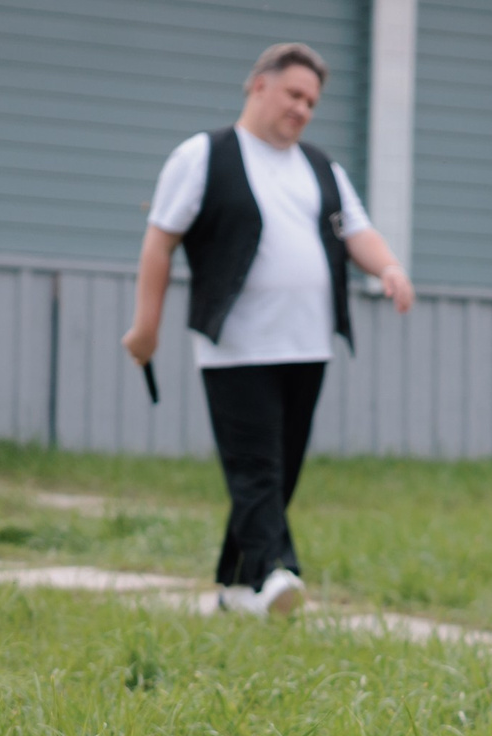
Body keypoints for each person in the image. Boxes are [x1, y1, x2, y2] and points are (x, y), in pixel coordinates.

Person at [122, 43, 414, 618]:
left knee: (283, 470)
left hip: (308, 345)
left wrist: (389, 267)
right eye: (294, 94)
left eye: (312, 101)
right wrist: (146, 328)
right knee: (256, 469)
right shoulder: (204, 155)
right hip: (236, 348)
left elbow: (357, 231)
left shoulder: (321, 167)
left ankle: (233, 590)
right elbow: (160, 240)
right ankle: (280, 574)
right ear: (259, 85)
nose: (303, 108)